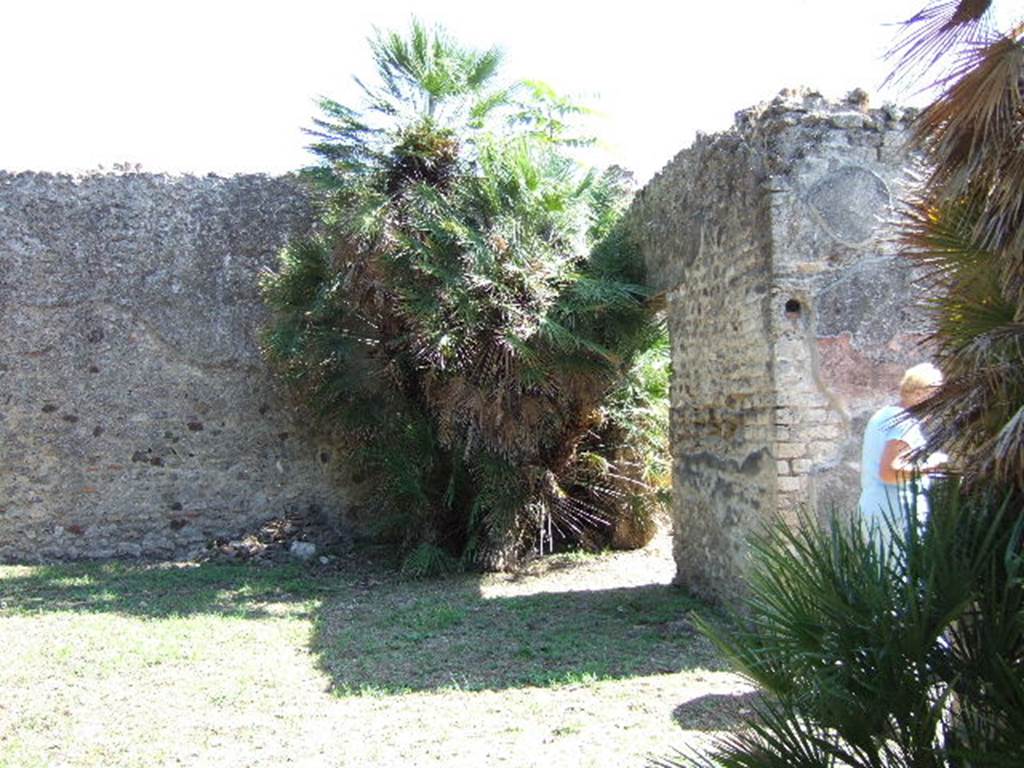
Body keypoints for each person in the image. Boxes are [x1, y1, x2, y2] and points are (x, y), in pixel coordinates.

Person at [858, 363, 947, 550]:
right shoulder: (903, 422)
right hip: (895, 514)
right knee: (902, 577)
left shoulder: (884, 415)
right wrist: (931, 467)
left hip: (877, 509)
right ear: (920, 393)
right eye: (937, 394)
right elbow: (889, 472)